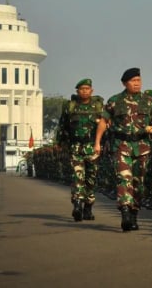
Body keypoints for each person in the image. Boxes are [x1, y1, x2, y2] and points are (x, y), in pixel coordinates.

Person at [94, 68, 152, 231]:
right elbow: (102, 122)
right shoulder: (115, 101)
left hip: (142, 147)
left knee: (139, 183)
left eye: (139, 80)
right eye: (133, 81)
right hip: (122, 146)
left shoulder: (149, 100)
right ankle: (125, 211)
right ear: (124, 83)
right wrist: (97, 142)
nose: (137, 84)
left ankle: (134, 213)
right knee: (123, 179)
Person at [64, 79, 104, 222]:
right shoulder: (71, 107)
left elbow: (105, 127)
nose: (85, 91)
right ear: (77, 91)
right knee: (77, 177)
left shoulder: (98, 107)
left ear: (91, 90)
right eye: (82, 89)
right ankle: (77, 205)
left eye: (87, 88)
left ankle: (88, 207)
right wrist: (61, 144)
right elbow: (64, 127)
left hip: (93, 148)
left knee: (91, 179)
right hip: (76, 148)